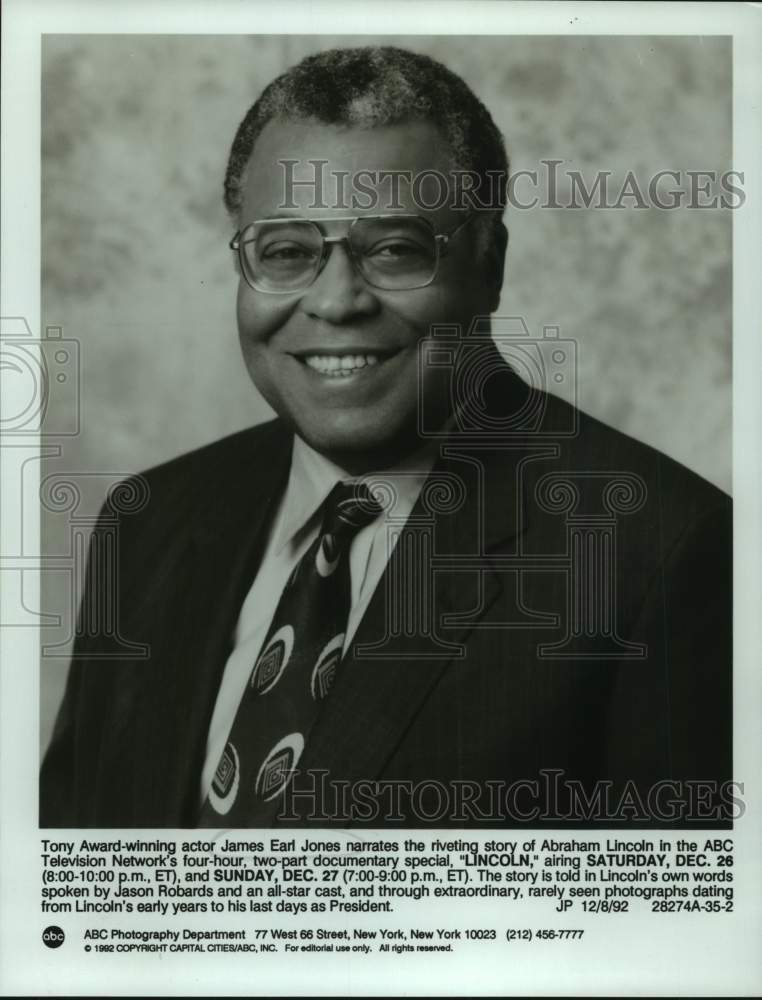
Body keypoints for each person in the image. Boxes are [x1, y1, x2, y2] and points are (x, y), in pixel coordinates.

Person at [40, 46, 732, 828]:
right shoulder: (149, 520)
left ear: (489, 264)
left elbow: (677, 934)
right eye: (288, 252)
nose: (337, 302)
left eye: (395, 249)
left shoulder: (664, 552)